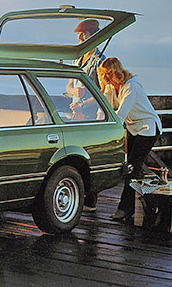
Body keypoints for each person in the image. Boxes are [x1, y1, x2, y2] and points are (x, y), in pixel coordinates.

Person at [97, 57, 162, 222]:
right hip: (134, 128)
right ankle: (141, 201)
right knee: (133, 168)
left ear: (115, 73)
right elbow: (104, 107)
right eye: (102, 75)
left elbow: (120, 116)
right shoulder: (112, 87)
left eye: (107, 75)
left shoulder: (131, 87)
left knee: (132, 168)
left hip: (148, 128)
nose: (104, 78)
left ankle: (124, 209)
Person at [67, 19, 105, 211]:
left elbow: (102, 93)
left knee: (89, 154)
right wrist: (75, 95)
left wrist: (82, 102)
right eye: (79, 35)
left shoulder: (100, 61)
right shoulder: (77, 58)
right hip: (75, 111)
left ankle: (91, 197)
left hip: (89, 114)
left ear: (93, 35)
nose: (79, 38)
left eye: (83, 34)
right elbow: (68, 85)